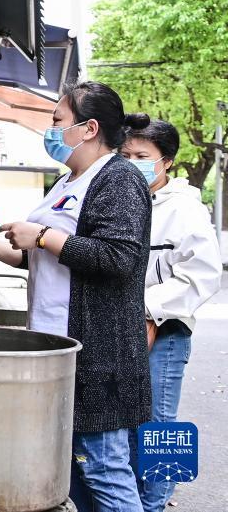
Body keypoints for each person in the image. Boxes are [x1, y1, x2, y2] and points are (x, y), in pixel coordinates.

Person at [0, 81, 152, 512]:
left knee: (103, 469)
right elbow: (40, 261)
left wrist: (42, 236)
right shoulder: (65, 182)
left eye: (58, 120)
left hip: (98, 356)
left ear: (89, 127)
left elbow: (119, 258)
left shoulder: (119, 178)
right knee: (70, 470)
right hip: (55, 349)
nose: (51, 129)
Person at [121, 119, 221, 512]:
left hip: (166, 328)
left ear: (167, 162)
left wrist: (148, 310)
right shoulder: (118, 199)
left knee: (161, 424)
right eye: (124, 155)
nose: (132, 163)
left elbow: (203, 275)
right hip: (119, 326)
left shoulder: (185, 209)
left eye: (142, 157)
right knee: (122, 421)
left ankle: (155, 505)